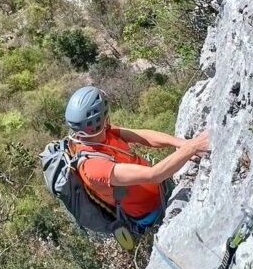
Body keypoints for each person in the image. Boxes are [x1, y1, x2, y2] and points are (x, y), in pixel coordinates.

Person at [64, 85, 209, 225]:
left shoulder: (101, 132)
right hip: (151, 211)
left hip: (160, 188)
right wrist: (193, 147)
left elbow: (141, 136)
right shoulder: (93, 167)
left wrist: (181, 143)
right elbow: (154, 175)